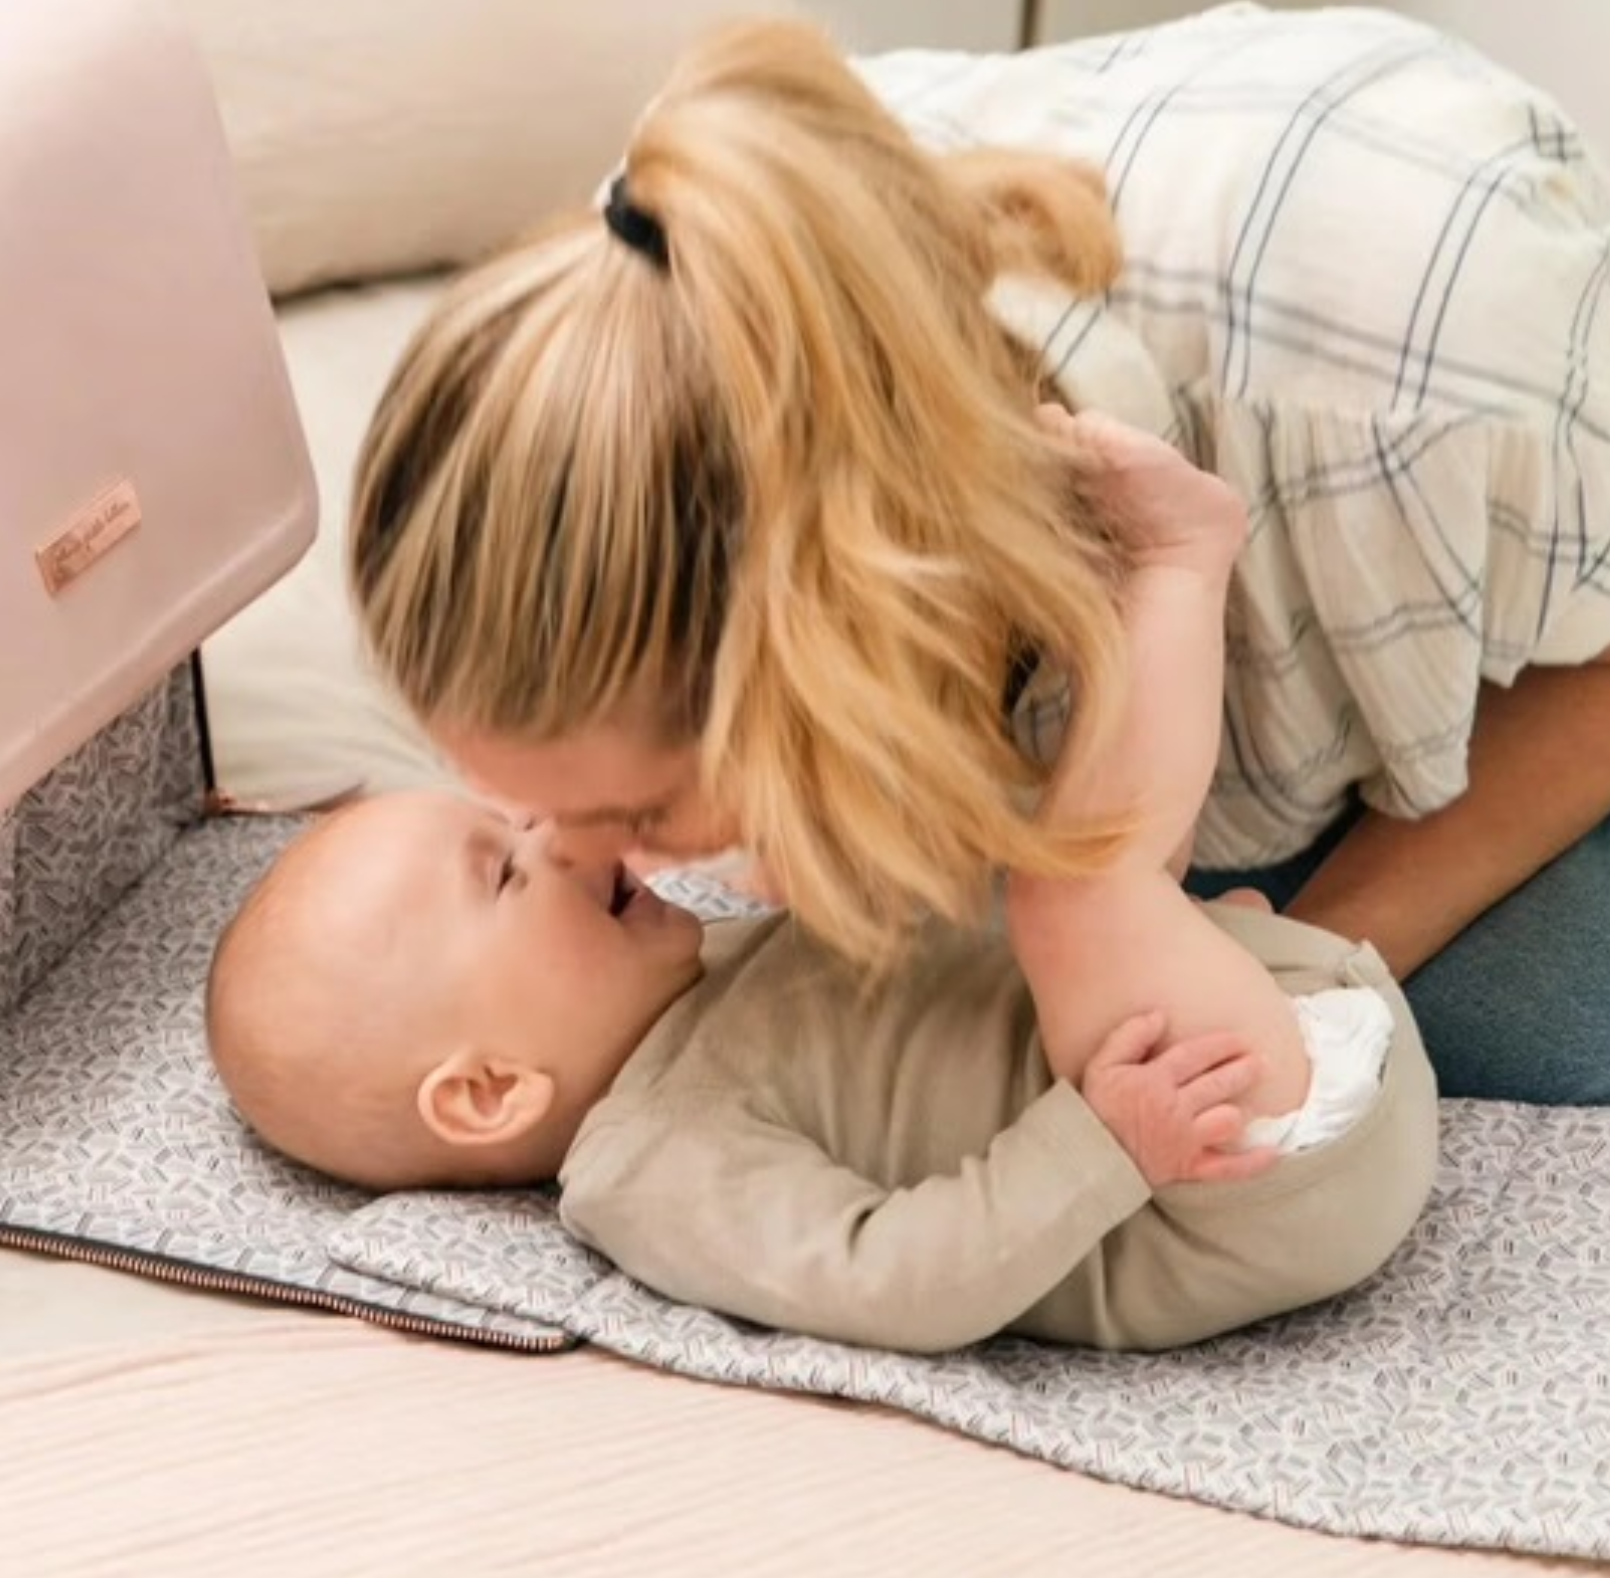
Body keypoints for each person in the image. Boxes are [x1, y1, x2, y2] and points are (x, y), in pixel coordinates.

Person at [348, 17, 1610, 1103]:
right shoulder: (646, 280)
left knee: (1508, 1036)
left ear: (822, 648)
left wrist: (1310, 964)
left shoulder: (1423, 383)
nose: (585, 854)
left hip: (1540, 633)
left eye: (633, 814)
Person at [207, 414, 1437, 1353]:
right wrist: (1101, 1144)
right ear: (485, 1088)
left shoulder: (711, 968)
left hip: (1263, 1028)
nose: (557, 831)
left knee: (1057, 878)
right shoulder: (648, 1168)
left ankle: (1149, 882)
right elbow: (892, 1276)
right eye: (504, 866)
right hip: (1221, 1175)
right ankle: (1174, 558)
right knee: (1073, 893)